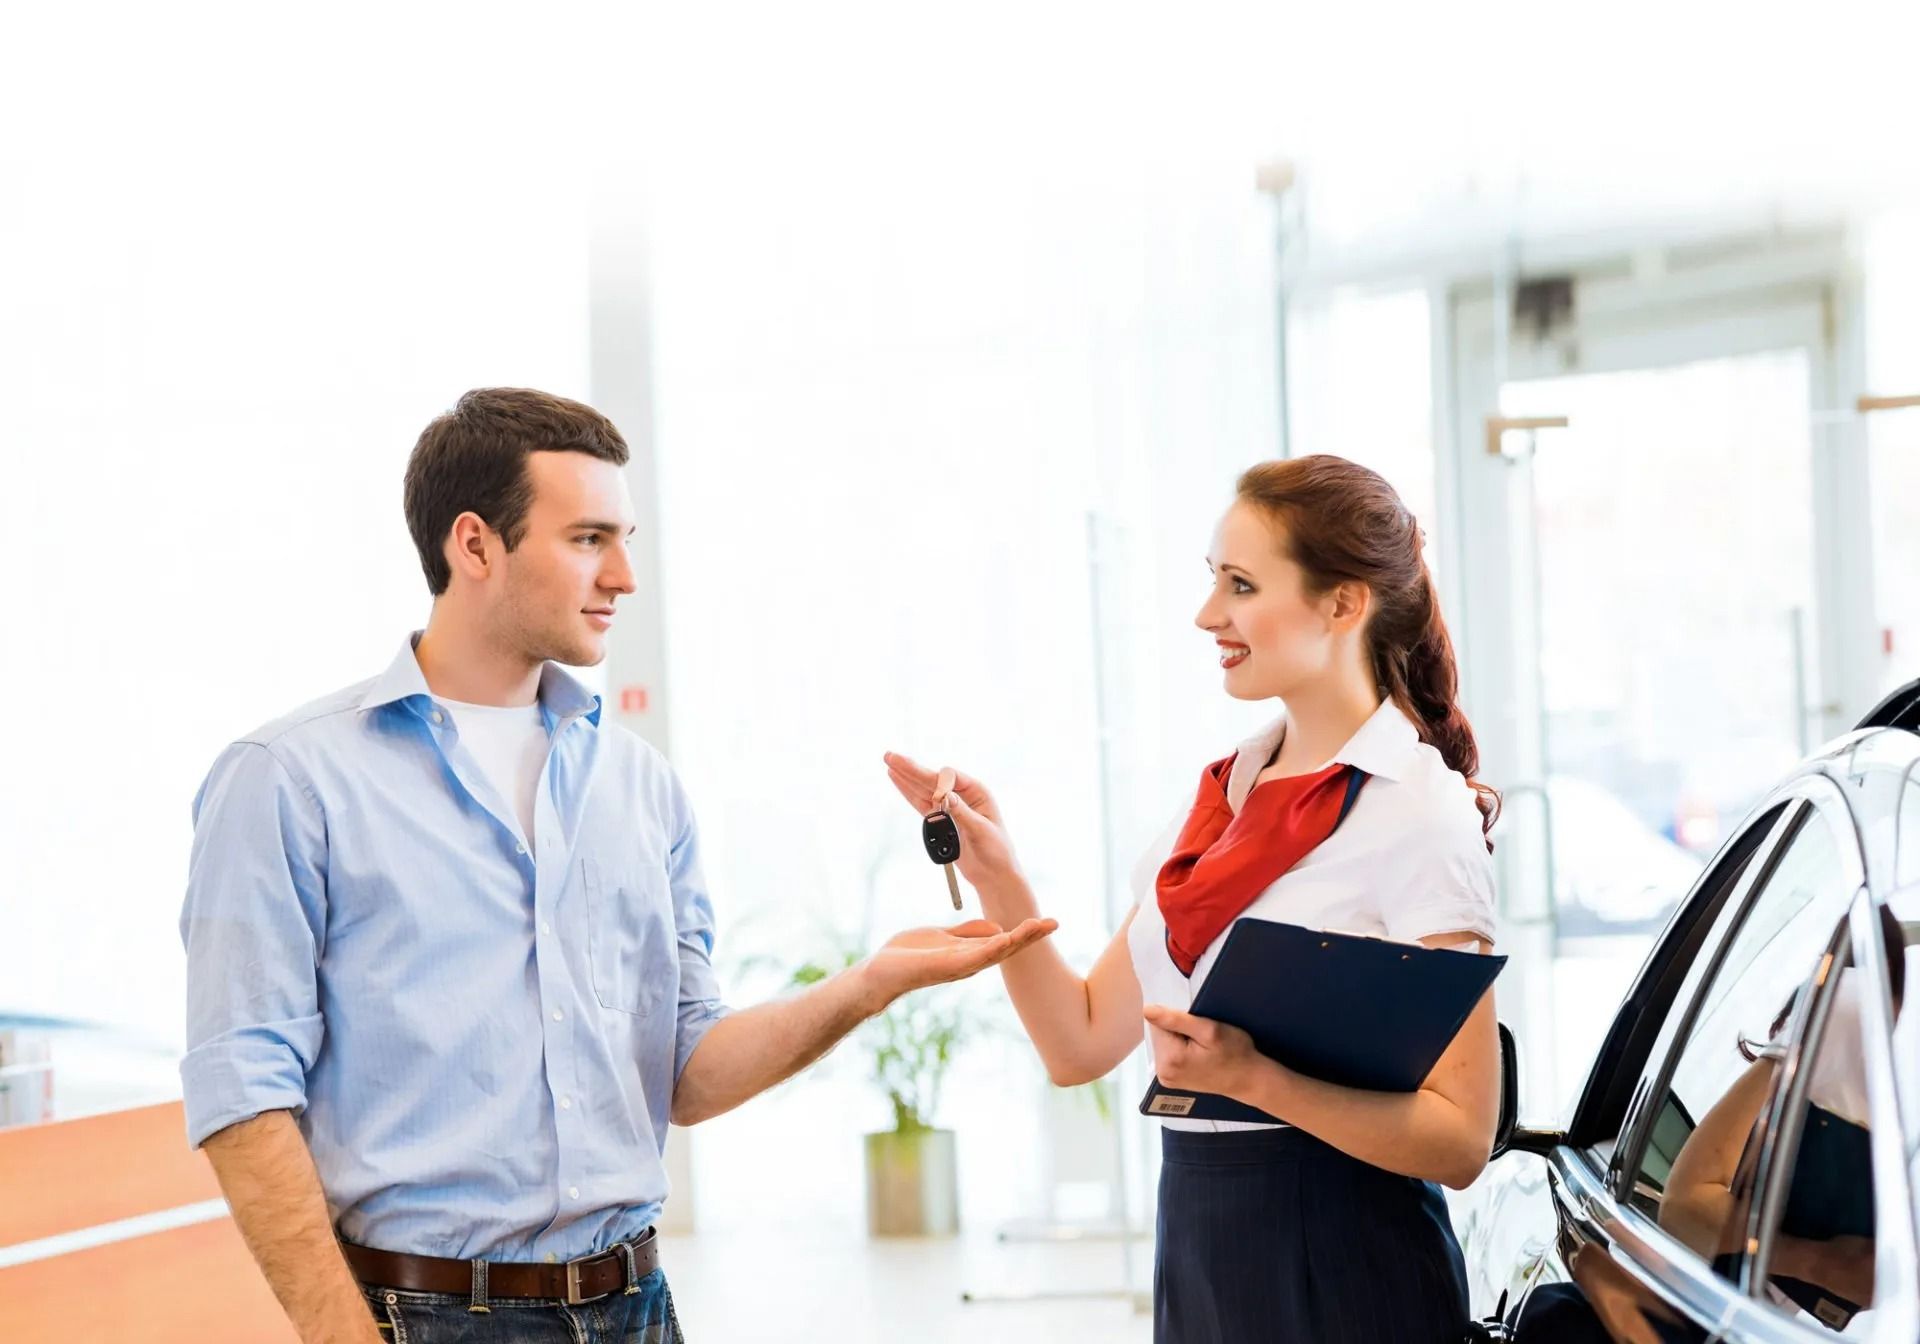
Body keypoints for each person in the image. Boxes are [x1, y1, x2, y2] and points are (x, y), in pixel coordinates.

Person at [180, 387, 1056, 1344]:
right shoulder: (286, 781)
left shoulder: (642, 787)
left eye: (624, 537)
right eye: (590, 539)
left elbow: (685, 1072)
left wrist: (871, 983)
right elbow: (245, 1091)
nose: (626, 576)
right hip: (423, 1317)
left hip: (638, 1308)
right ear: (474, 546)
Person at [886, 454, 1502, 1343]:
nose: (1208, 615)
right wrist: (998, 878)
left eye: (1242, 585)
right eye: (1214, 581)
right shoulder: (1222, 797)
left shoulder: (1416, 811)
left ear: (1344, 602)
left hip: (1343, 1255)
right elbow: (1079, 1039)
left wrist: (1254, 1079)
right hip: (1200, 1243)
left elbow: (1460, 1140)